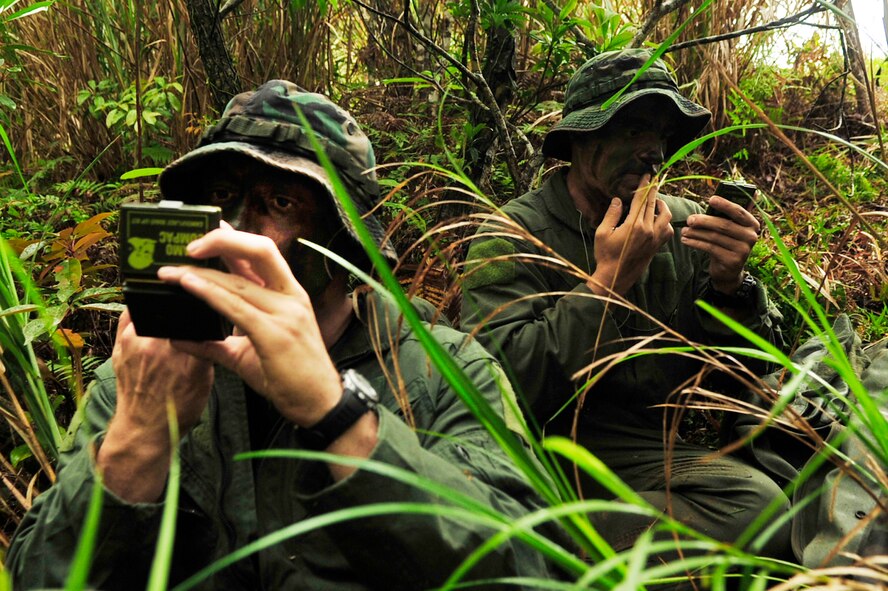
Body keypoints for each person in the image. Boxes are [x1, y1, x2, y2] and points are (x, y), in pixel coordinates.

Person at [7, 81, 559, 589]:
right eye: (222, 195)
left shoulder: (442, 369)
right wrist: (140, 437)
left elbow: (527, 567)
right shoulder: (152, 366)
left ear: (345, 241)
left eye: (283, 203)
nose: (240, 228)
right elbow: (38, 577)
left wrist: (336, 413)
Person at [459, 49, 792, 558]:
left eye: (660, 134)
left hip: (649, 452)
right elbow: (494, 383)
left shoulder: (683, 226)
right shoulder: (511, 234)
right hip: (545, 450)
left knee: (762, 503)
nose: (652, 151)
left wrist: (731, 289)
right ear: (580, 141)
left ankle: (562, 547)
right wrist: (607, 284)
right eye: (632, 130)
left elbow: (739, 379)